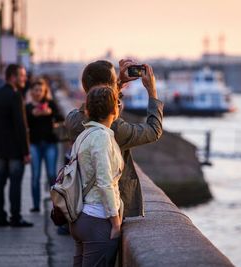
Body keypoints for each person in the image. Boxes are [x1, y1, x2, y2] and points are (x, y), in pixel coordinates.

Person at [65, 59, 163, 219]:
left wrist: (117, 84)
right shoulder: (114, 129)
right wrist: (152, 91)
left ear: (84, 86)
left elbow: (99, 104)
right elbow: (153, 131)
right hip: (104, 214)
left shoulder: (72, 120)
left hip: (77, 206)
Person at [69, 86, 123, 267]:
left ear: (87, 110)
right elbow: (104, 181)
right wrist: (116, 223)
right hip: (97, 219)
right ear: (114, 110)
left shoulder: (83, 135)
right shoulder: (101, 137)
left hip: (80, 217)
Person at [0, 64, 33, 227]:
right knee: (15, 183)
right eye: (22, 75)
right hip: (14, 149)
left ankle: (0, 217)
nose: (24, 78)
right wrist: (26, 151)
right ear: (13, 77)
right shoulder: (15, 96)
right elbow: (21, 126)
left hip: (0, 148)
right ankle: (16, 217)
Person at [26, 78, 64, 212]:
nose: (38, 93)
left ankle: (56, 206)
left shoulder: (51, 104)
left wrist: (50, 113)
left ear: (44, 91)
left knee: (51, 175)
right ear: (31, 92)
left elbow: (61, 118)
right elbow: (25, 124)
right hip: (34, 144)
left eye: (40, 90)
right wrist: (33, 114)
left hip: (50, 143)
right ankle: (36, 205)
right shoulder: (28, 107)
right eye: (35, 90)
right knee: (35, 176)